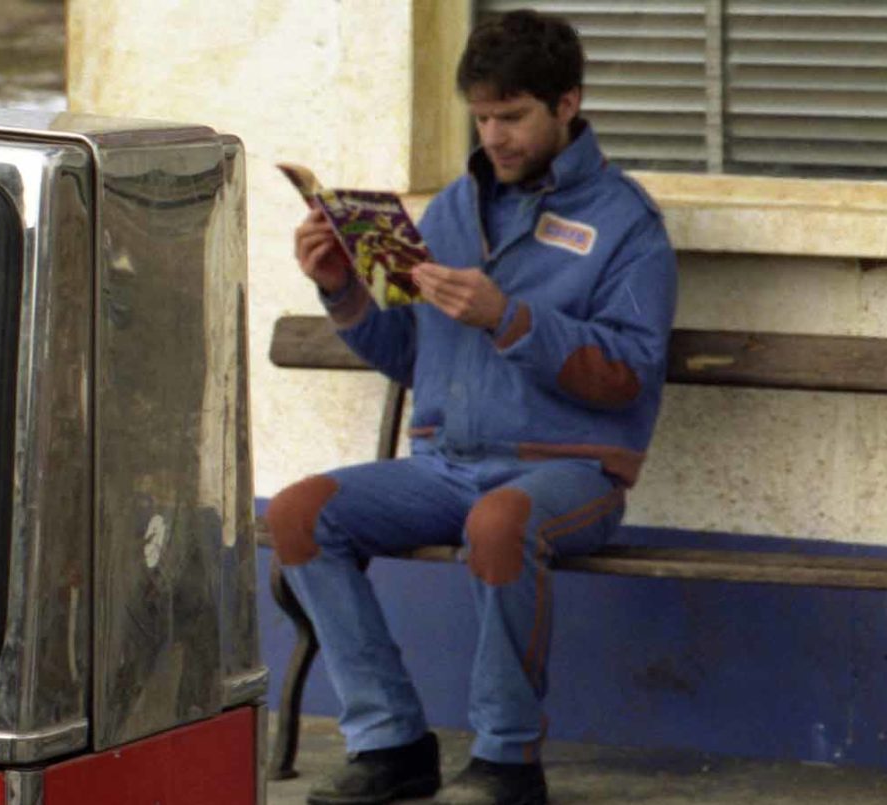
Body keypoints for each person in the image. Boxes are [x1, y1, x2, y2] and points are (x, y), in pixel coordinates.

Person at [269, 9, 679, 805]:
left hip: (572, 471)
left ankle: (506, 763)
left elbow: (628, 375)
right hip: (446, 464)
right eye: (483, 116)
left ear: (568, 104)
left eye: (513, 115)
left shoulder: (628, 223)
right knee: (298, 512)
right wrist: (339, 287)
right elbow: (408, 352)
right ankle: (390, 741)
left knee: (500, 521)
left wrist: (510, 318)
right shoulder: (455, 208)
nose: (494, 134)